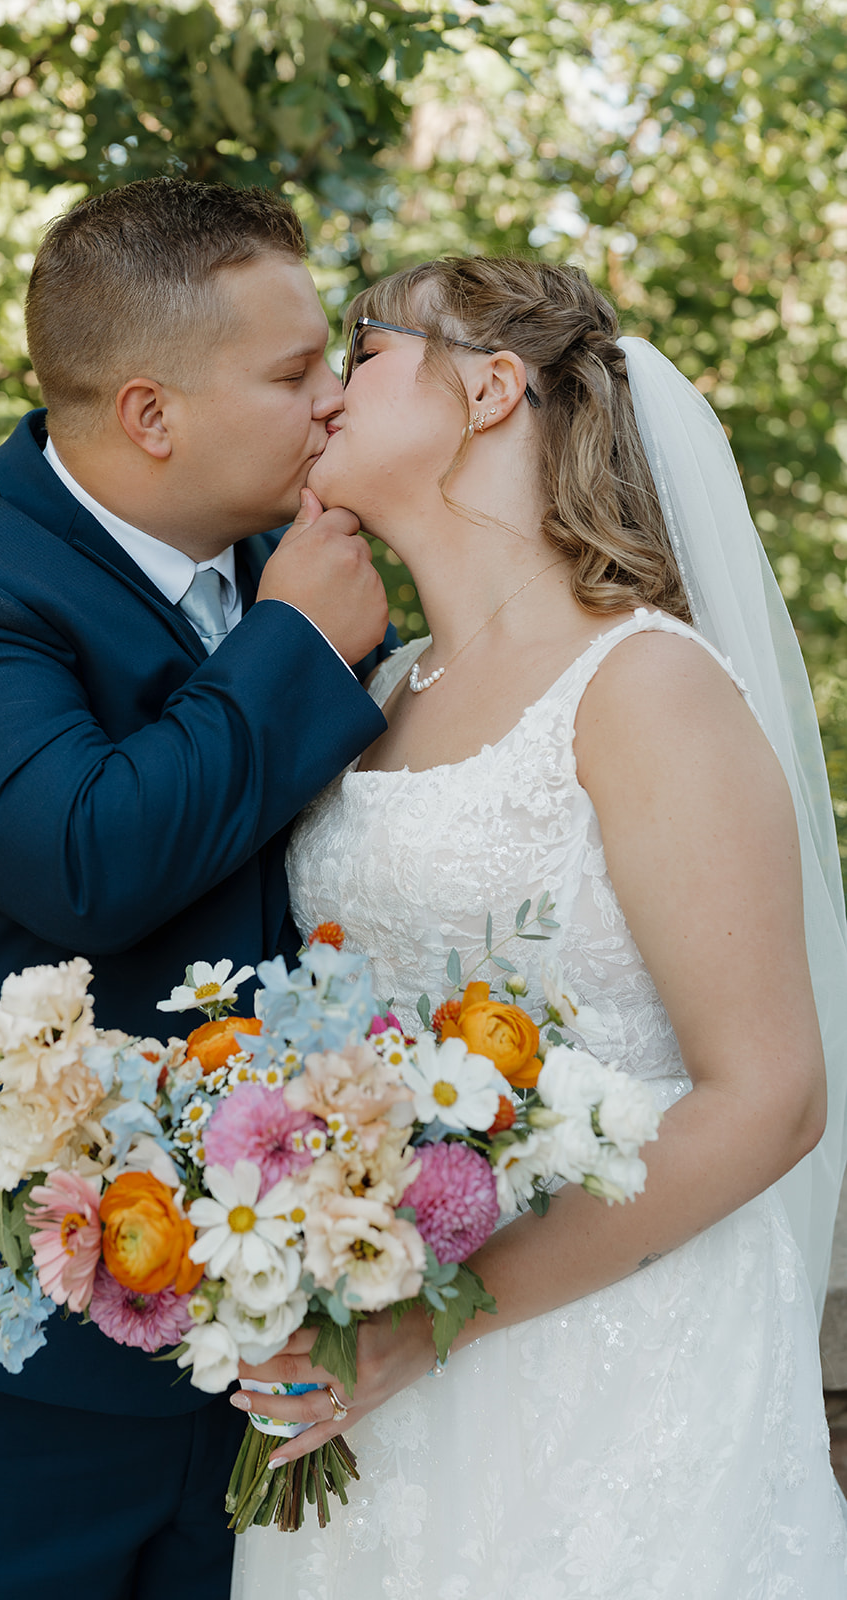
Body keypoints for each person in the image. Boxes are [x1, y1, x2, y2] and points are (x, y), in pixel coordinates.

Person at [0, 177, 393, 1600]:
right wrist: (297, 641)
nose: (337, 405)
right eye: (297, 372)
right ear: (150, 412)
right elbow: (86, 861)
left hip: (253, 1336)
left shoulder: (288, 570)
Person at [230, 256, 847, 1597]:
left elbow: (772, 1096)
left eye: (366, 346)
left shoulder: (646, 685)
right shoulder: (373, 691)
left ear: (493, 387)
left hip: (618, 1367)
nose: (328, 389)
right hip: (371, 1367)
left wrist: (430, 1325)